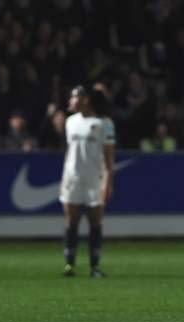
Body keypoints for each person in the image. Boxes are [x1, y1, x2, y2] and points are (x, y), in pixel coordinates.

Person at [60, 85, 115, 278]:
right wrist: (63, 177)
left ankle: (95, 266)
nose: (70, 101)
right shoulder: (70, 122)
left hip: (94, 179)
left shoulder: (104, 123)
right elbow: (69, 152)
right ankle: (69, 265)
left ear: (85, 99)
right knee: (71, 222)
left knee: (95, 223)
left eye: (73, 97)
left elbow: (109, 157)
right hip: (72, 178)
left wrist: (108, 182)